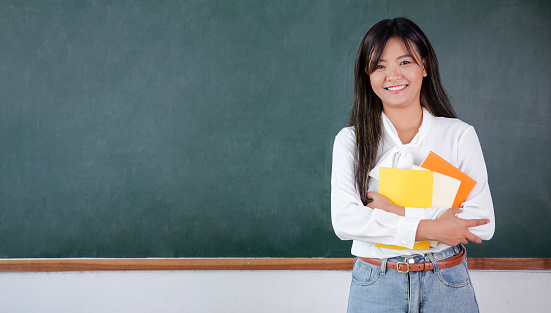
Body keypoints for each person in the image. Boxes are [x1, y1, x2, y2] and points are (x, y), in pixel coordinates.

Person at [331, 17, 495, 313]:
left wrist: (397, 211)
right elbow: (346, 221)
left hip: (446, 281)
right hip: (377, 284)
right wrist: (433, 226)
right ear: (367, 74)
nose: (392, 75)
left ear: (425, 66)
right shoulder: (351, 141)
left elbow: (482, 222)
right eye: (380, 66)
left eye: (404, 62)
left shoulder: (458, 135)